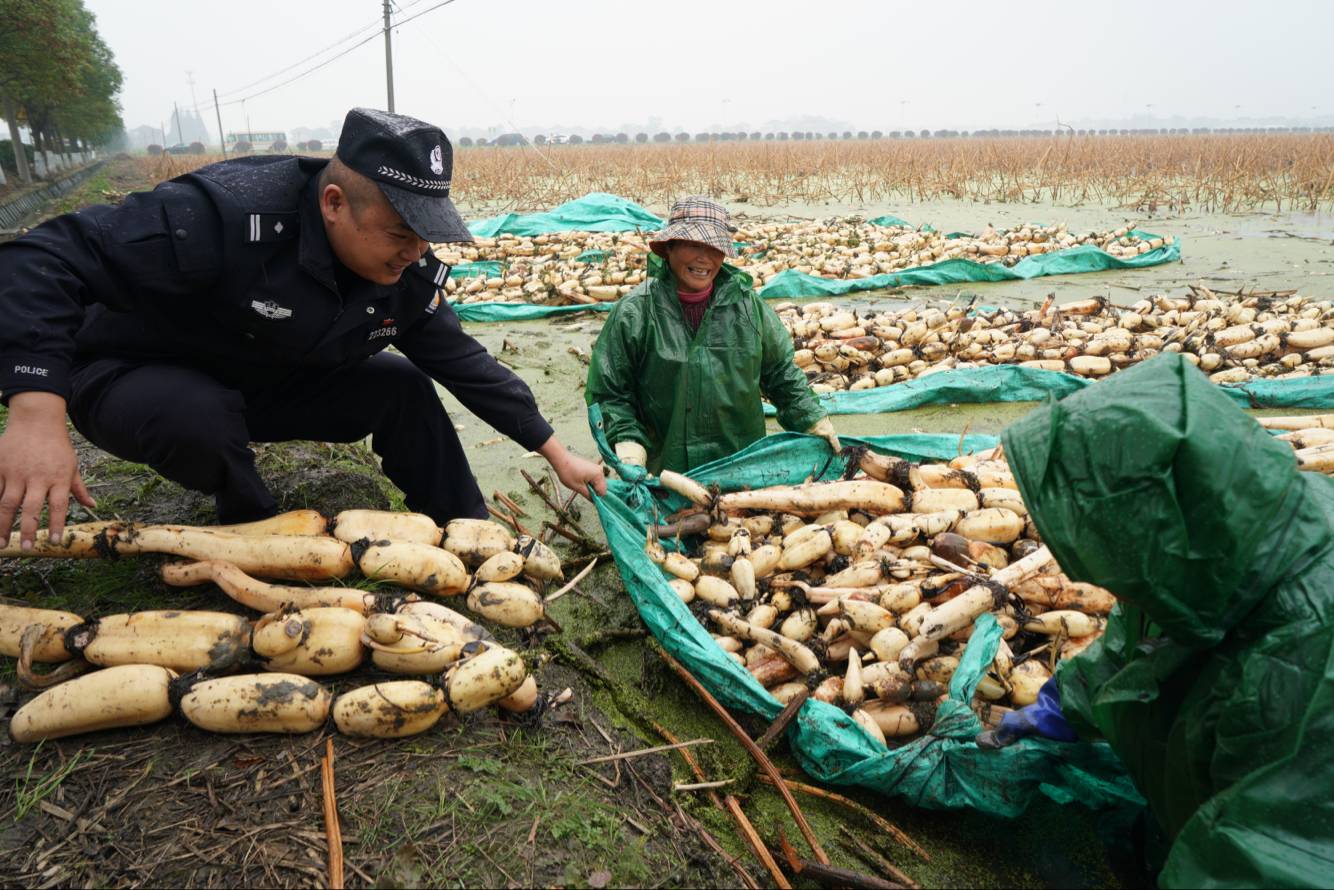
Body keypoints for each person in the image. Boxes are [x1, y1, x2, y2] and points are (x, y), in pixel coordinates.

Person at [0, 108, 605, 551]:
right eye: (400, 233)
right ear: (334, 203)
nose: (415, 251)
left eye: (427, 235)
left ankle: (469, 532)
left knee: (403, 386)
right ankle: (256, 526)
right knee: (198, 416)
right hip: (131, 374)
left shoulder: (405, 270)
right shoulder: (222, 215)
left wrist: (556, 453)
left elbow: (465, 363)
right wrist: (34, 412)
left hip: (263, 378)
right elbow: (39, 258)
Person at [584, 196, 838, 474]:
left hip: (742, 465)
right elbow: (611, 392)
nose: (704, 258)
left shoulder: (747, 307)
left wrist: (811, 418)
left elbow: (780, 373)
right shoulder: (635, 312)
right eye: (694, 245)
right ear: (669, 248)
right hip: (665, 471)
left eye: (714, 247)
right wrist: (627, 441)